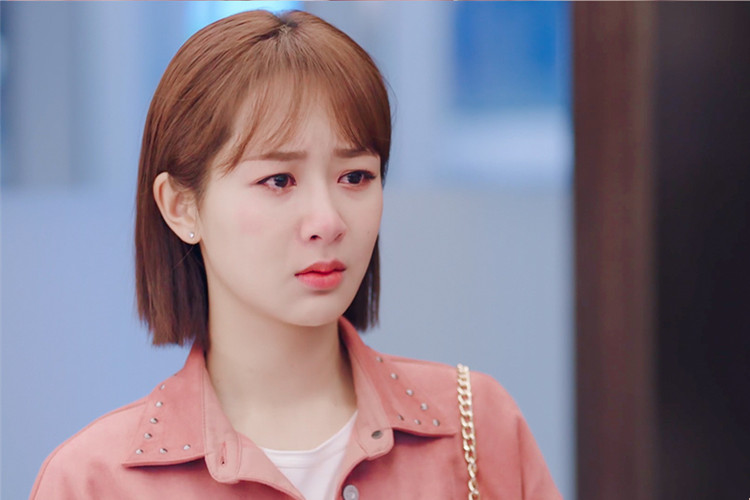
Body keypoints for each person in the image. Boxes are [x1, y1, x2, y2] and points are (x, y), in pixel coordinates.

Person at [31, 9, 561, 500]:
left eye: (356, 177)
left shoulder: (477, 427)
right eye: (279, 180)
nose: (327, 221)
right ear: (180, 206)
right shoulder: (91, 481)